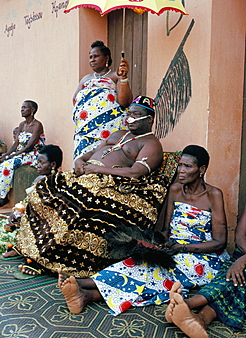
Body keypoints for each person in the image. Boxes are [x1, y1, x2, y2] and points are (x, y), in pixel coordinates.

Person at [3, 96, 171, 278]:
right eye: (128, 114)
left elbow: (136, 172)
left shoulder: (151, 144)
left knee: (77, 204)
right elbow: (90, 152)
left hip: (108, 183)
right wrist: (79, 160)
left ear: (149, 119)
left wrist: (100, 170)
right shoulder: (118, 134)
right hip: (84, 174)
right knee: (42, 187)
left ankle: (49, 259)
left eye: (136, 115)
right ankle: (26, 247)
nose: (129, 118)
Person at [57, 145, 230, 316]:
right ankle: (85, 295)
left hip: (204, 257)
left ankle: (83, 285)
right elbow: (164, 229)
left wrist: (182, 248)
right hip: (174, 249)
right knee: (137, 263)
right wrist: (155, 245)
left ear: (202, 169)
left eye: (188, 166)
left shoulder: (213, 195)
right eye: (180, 165)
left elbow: (219, 242)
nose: (181, 170)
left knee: (154, 274)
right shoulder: (176, 190)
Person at [165, 203, 246, 337]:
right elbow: (240, 236)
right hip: (242, 254)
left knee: (239, 278)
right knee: (231, 277)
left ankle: (188, 305)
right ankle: (198, 319)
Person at [73, 40, 133, 161]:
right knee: (82, 163)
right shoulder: (86, 78)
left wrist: (123, 78)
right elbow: (75, 100)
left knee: (103, 161)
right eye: (90, 57)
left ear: (106, 58)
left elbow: (124, 102)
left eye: (96, 56)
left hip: (107, 130)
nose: (92, 60)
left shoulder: (116, 75)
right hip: (85, 132)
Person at [0, 144, 63, 259]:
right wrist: (16, 213)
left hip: (42, 225)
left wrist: (24, 217)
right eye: (37, 162)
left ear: (53, 164)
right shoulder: (39, 179)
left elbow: (46, 211)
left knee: (7, 235)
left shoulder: (55, 184)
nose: (37, 166)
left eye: (41, 163)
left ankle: (19, 248)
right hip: (28, 219)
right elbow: (27, 201)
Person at [0, 100, 45, 207]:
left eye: (25, 107)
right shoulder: (22, 125)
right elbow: (15, 144)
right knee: (2, 161)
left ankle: (3, 197)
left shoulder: (37, 125)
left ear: (33, 110)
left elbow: (29, 146)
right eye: (21, 107)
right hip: (21, 153)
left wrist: (13, 156)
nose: (22, 109)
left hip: (33, 154)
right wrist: (6, 155)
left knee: (8, 165)